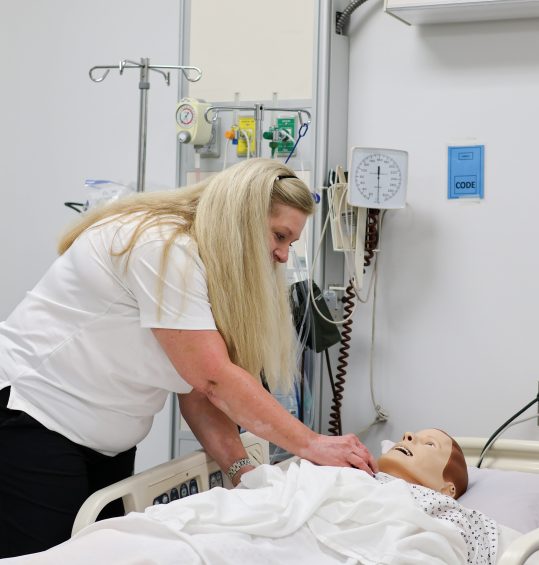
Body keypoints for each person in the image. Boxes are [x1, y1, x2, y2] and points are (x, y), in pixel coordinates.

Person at [0, 157, 377, 558]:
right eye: (279, 236)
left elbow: (197, 391)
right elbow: (214, 379)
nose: (284, 255)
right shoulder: (161, 247)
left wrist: (242, 474)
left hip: (102, 441)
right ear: (243, 222)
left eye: (290, 243)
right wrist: (313, 444)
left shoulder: (213, 268)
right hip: (34, 419)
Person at [1, 428, 499, 565]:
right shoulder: (337, 468)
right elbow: (272, 486)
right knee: (152, 540)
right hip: (272, 512)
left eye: (429, 444)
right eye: (411, 435)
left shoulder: (445, 512)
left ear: (448, 486)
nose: (410, 440)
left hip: (323, 541)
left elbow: (502, 547)